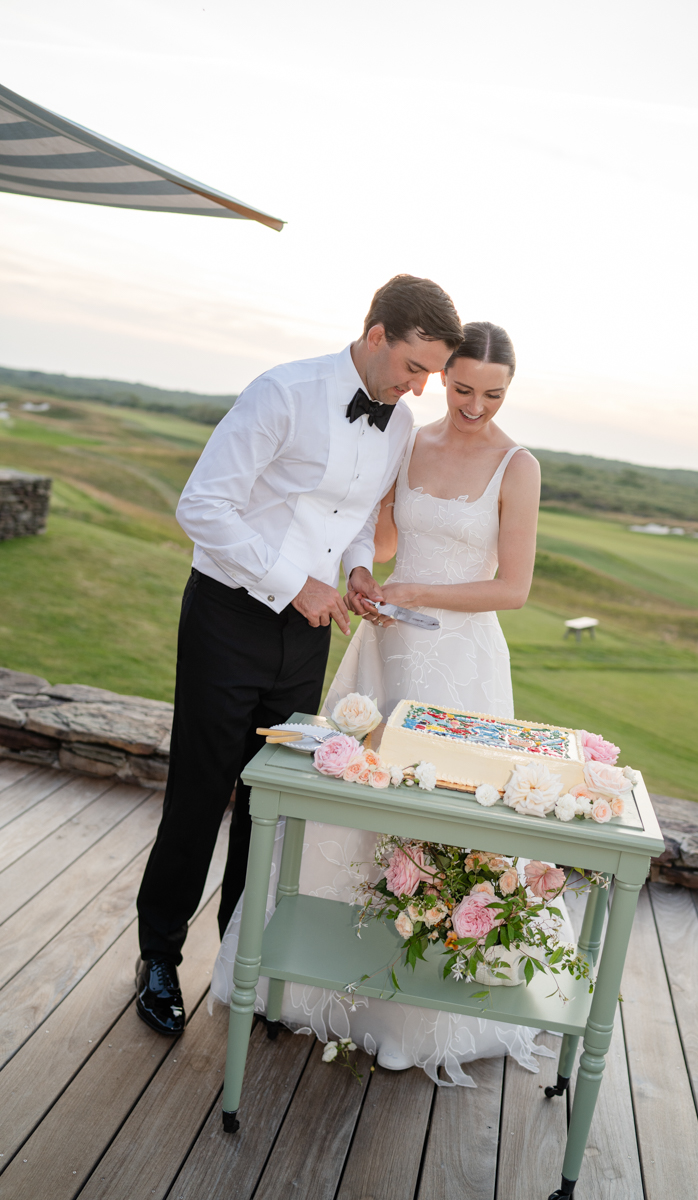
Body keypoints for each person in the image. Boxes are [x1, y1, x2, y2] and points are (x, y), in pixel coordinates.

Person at [212, 322, 573, 1086]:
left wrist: (415, 588)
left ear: (510, 390)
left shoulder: (519, 464)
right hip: (387, 651)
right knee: (354, 810)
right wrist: (367, 583)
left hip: (462, 667)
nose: (475, 405)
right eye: (463, 387)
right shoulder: (408, 437)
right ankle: (313, 987)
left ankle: (412, 1021)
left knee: (442, 825)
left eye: (493, 394)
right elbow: (373, 538)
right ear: (443, 378)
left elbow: (513, 587)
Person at [134, 275, 464, 1036]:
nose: (419, 388)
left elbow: (349, 520)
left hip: (306, 633)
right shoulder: (281, 392)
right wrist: (294, 585)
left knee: (269, 803)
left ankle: (238, 961)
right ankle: (158, 955)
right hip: (227, 617)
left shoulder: (399, 424)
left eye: (430, 377)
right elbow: (202, 506)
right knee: (199, 793)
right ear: (376, 333)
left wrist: (353, 570)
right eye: (414, 368)